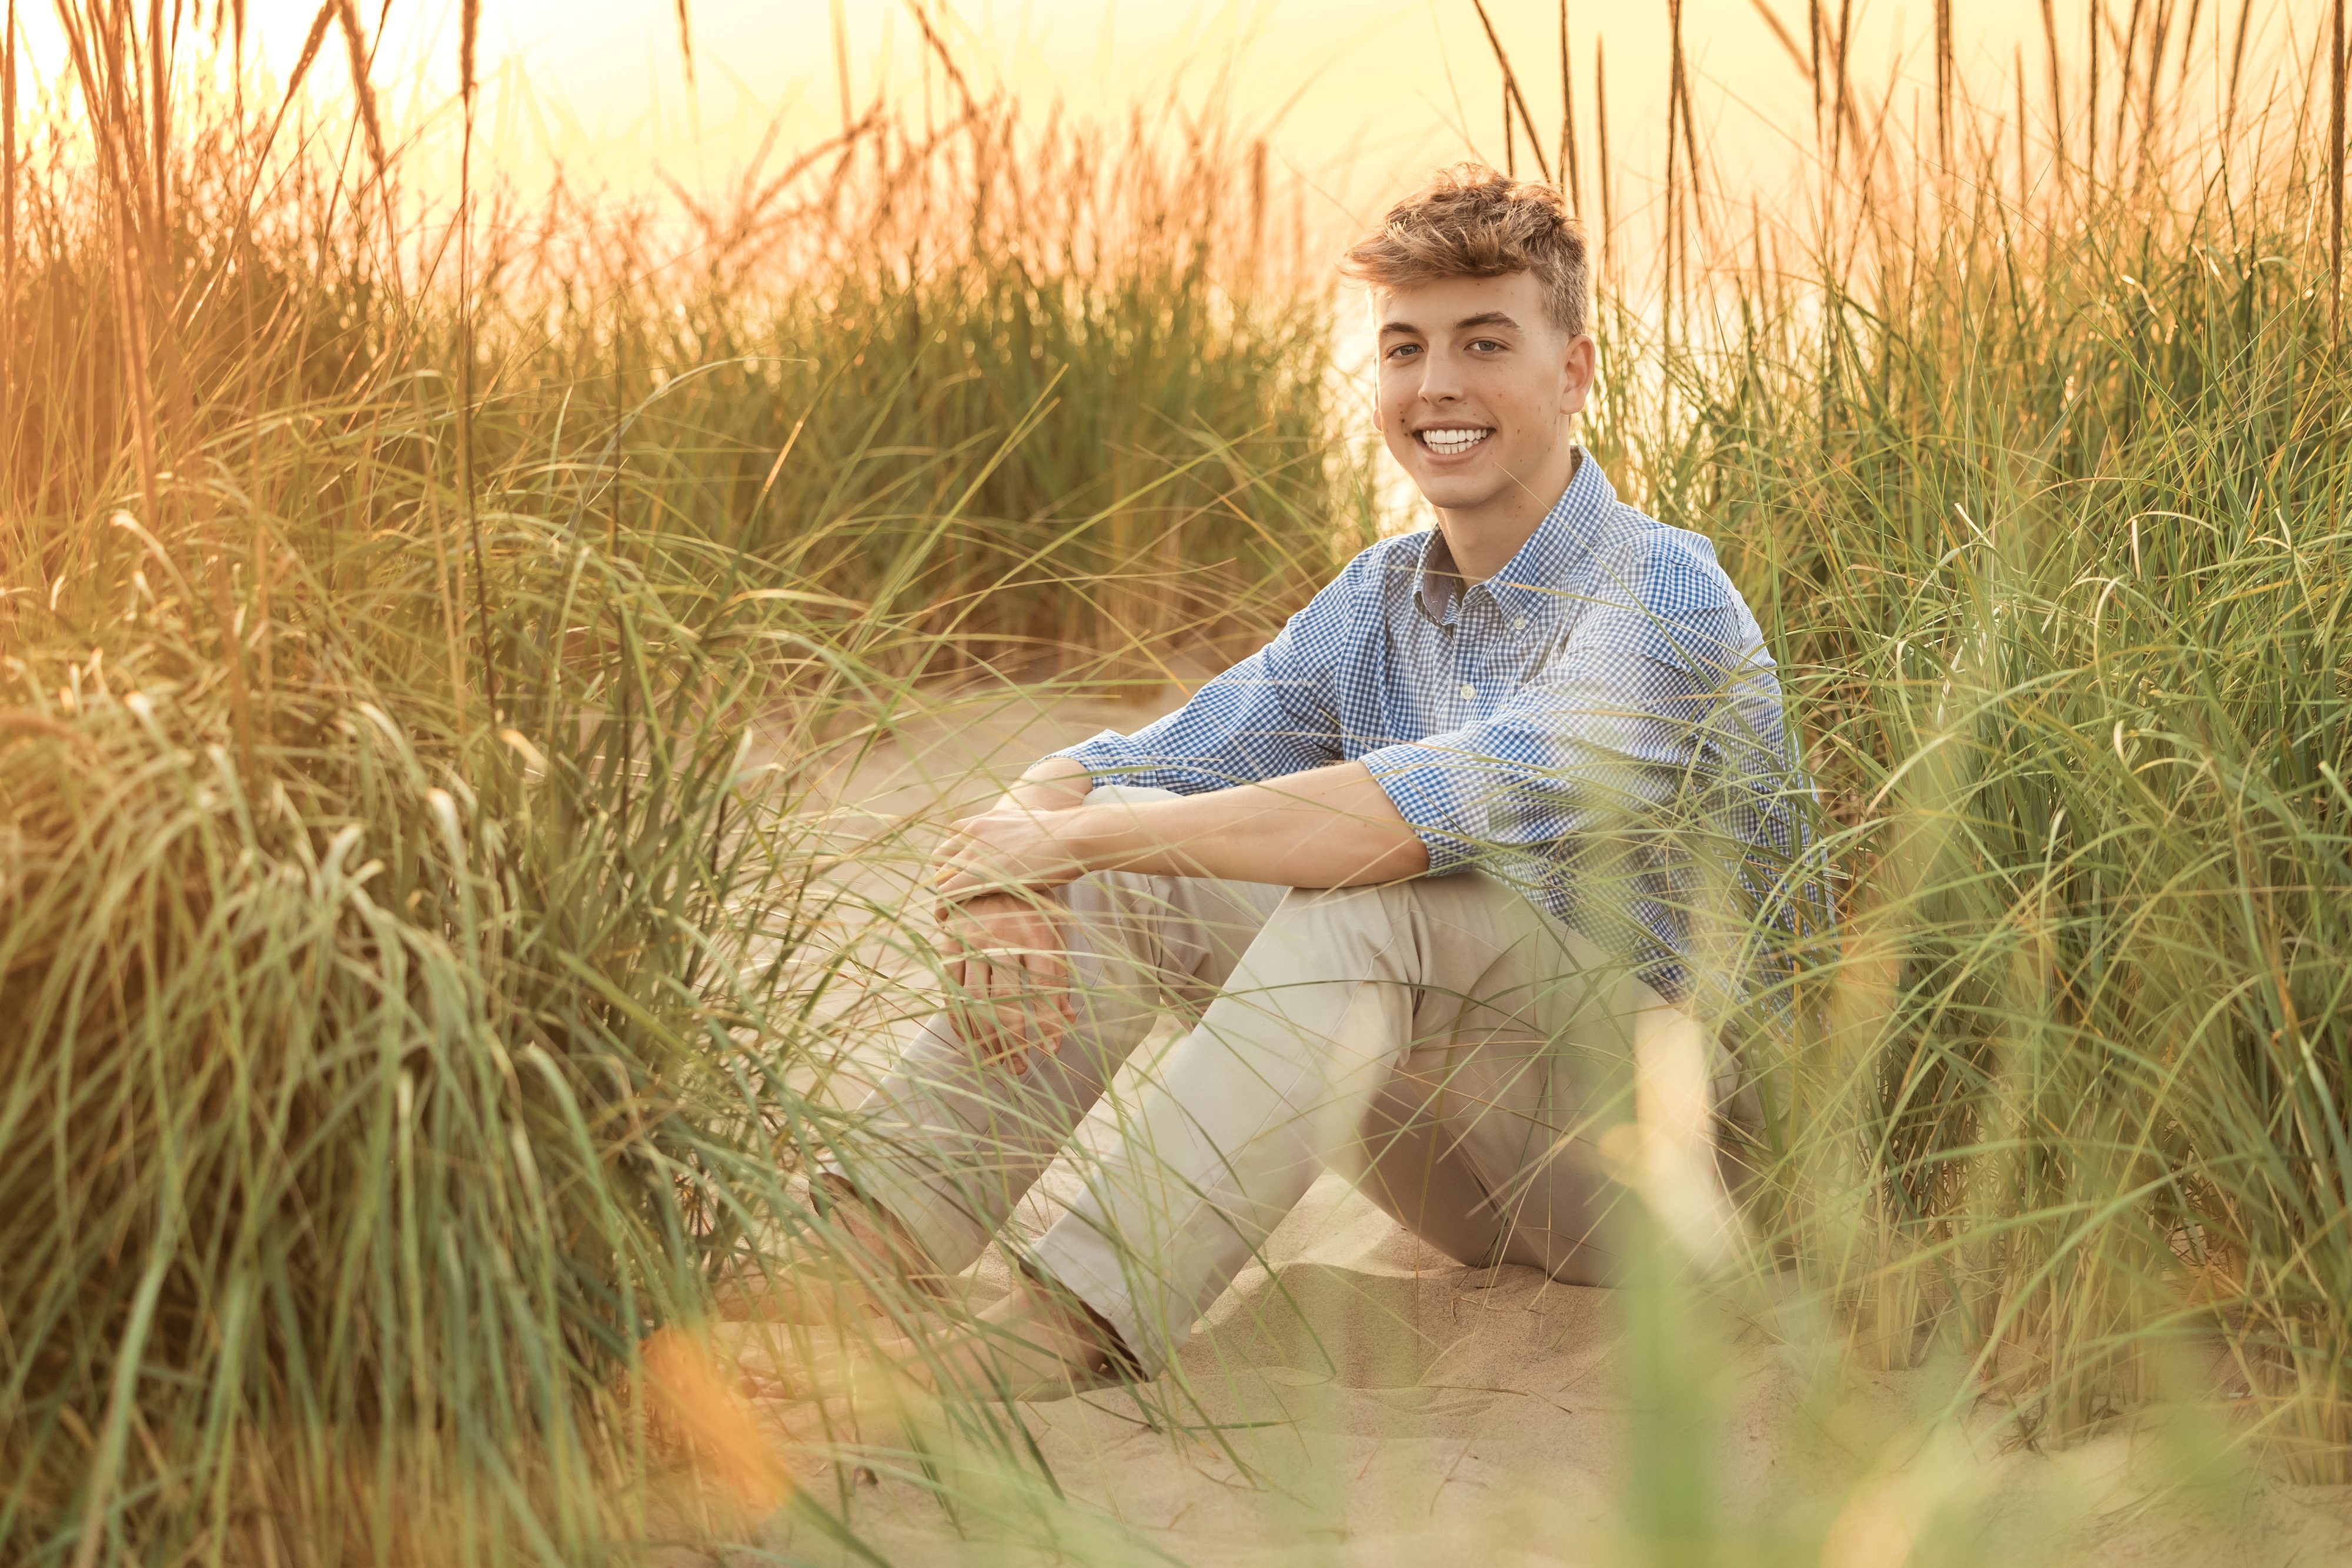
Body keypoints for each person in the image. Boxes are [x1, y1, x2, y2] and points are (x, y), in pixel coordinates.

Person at [783, 165, 1812, 1398]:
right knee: (1136, 867)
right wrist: (1019, 849)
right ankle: (849, 1268)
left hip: (1672, 1182)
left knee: (1369, 892)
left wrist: (1078, 842)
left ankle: (1061, 1321)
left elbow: (1394, 824)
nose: (1436, 385)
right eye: (1403, 347)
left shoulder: (1662, 596)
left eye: (1484, 343)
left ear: (1572, 369)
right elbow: (1134, 762)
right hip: (1474, 1175)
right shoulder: (1379, 600)